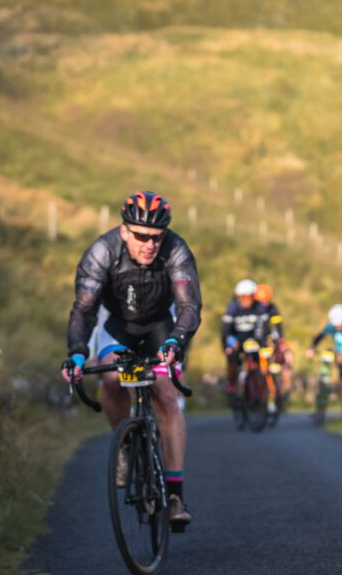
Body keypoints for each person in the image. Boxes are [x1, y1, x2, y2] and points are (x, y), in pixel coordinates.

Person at [61, 191, 201, 529]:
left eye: (156, 237)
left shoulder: (176, 250)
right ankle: (124, 442)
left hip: (161, 326)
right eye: (141, 236)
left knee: (166, 394)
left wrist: (176, 340)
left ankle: (176, 495)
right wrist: (77, 351)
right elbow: (84, 309)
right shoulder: (101, 252)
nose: (150, 245)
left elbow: (189, 307)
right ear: (124, 231)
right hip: (118, 325)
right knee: (110, 380)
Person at [221, 279, 275, 413]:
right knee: (232, 357)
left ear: (253, 296)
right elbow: (225, 330)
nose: (245, 301)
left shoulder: (260, 308)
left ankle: (258, 391)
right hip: (237, 338)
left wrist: (264, 343)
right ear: (238, 297)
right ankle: (232, 385)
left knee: (259, 363)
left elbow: (265, 328)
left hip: (254, 339)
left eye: (248, 297)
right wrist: (226, 347)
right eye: (242, 298)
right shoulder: (233, 307)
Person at [306, 304, 342, 419]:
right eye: (336, 326)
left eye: (340, 325)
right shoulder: (331, 327)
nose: (338, 328)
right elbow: (319, 337)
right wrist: (311, 348)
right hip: (341, 358)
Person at [254, 283, 294, 407]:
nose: (264, 303)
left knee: (284, 362)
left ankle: (279, 394)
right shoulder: (252, 308)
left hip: (270, 342)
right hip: (255, 343)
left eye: (266, 300)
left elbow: (278, 327)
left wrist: (281, 343)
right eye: (261, 301)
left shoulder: (272, 308)